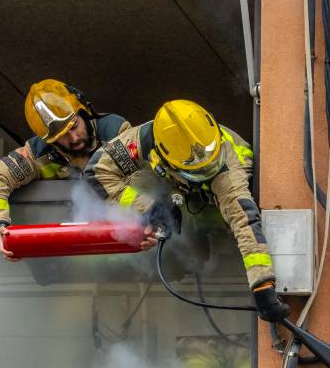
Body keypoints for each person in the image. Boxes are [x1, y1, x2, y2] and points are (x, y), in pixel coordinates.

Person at [84, 99, 288, 322]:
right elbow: (98, 171)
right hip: (175, 189)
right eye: (198, 170)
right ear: (163, 157)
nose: (206, 170)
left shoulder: (228, 169)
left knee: (231, 219)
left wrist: (263, 285)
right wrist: (150, 208)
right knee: (138, 179)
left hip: (214, 209)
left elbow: (244, 222)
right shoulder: (142, 141)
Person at [0, 80, 129, 260]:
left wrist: (146, 219)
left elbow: (143, 182)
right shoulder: (39, 153)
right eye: (62, 136)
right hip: (70, 256)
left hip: (127, 240)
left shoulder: (115, 132)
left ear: (84, 110)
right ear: (48, 140)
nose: (73, 138)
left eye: (74, 126)